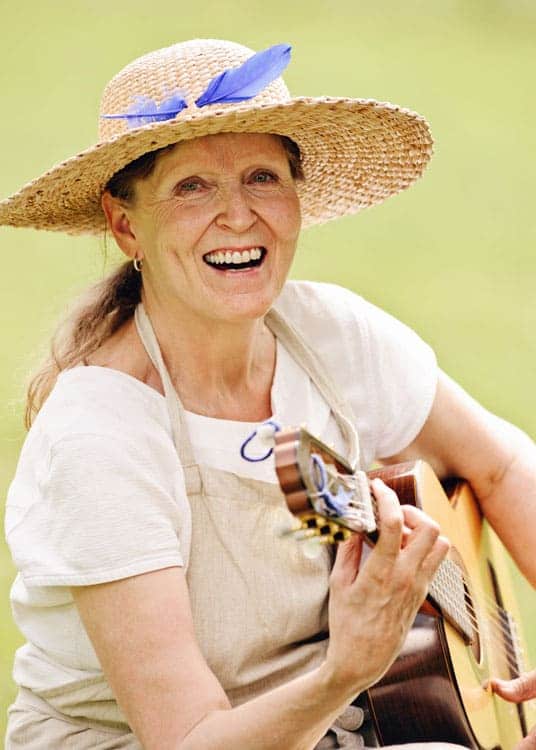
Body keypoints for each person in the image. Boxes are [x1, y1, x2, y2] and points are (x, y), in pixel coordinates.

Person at [2, 38, 535, 750]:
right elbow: (187, 739)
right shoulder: (99, 439)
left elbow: (502, 466)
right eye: (192, 186)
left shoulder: (333, 337)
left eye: (262, 177)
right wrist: (349, 668)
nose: (238, 215)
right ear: (126, 224)